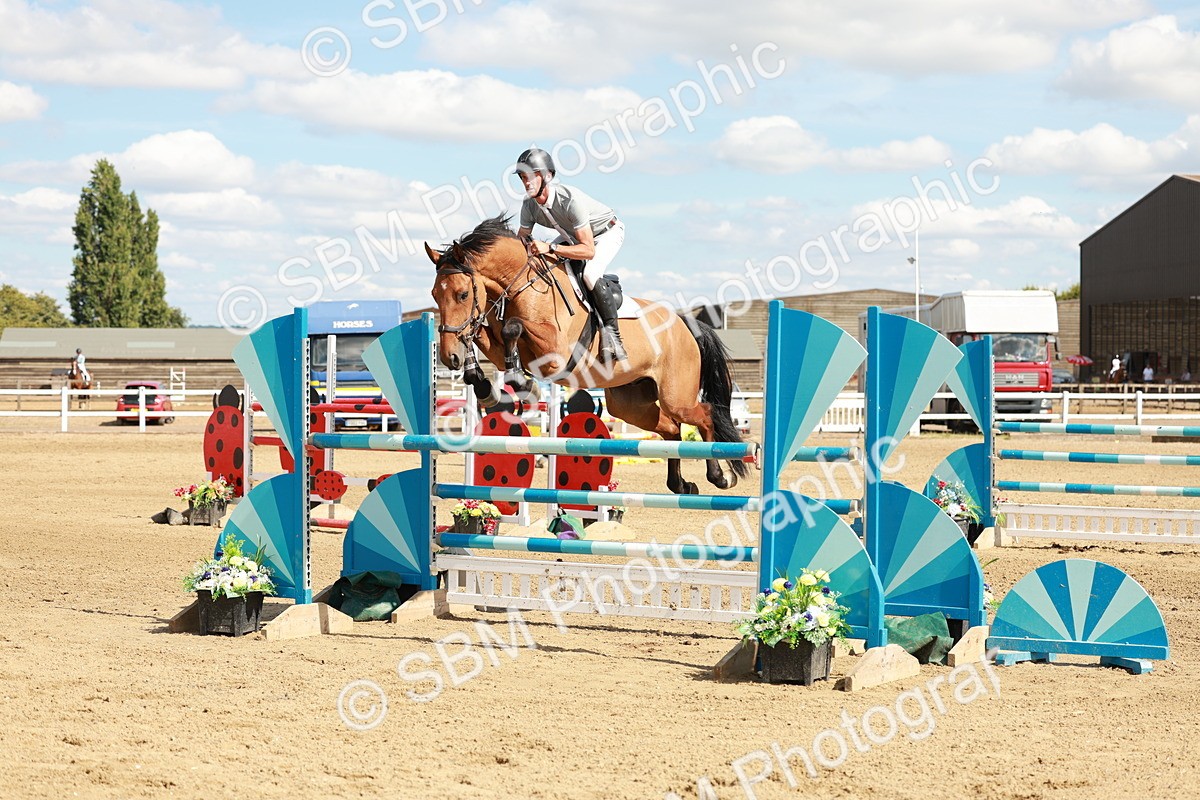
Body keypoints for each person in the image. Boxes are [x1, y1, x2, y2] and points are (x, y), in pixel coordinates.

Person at [514, 147, 628, 362]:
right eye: (522, 177)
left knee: (590, 275)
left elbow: (588, 250)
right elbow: (521, 242)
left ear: (547, 176)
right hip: (573, 237)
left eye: (532, 175)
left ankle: (613, 337)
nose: (526, 182)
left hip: (605, 233)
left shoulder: (569, 199)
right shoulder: (528, 205)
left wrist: (551, 248)